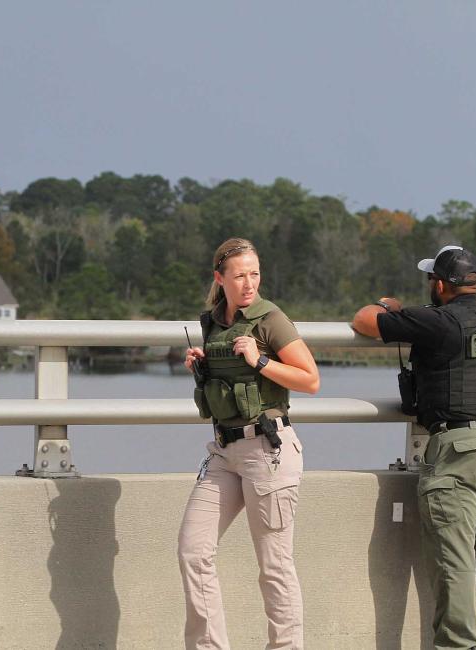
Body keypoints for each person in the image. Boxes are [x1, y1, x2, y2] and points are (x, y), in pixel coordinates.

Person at [351, 245, 476, 650]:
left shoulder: (438, 322)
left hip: (457, 450)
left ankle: (456, 646)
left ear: (439, 284)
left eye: (431, 280)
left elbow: (364, 321)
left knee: (454, 559)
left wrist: (385, 306)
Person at [177, 237, 320, 650]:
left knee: (274, 567)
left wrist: (260, 359)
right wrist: (202, 365)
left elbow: (310, 380)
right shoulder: (213, 322)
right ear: (220, 279)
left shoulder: (270, 318)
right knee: (193, 552)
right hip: (223, 451)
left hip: (268, 451)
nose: (249, 283)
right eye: (239, 276)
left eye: (254, 274)